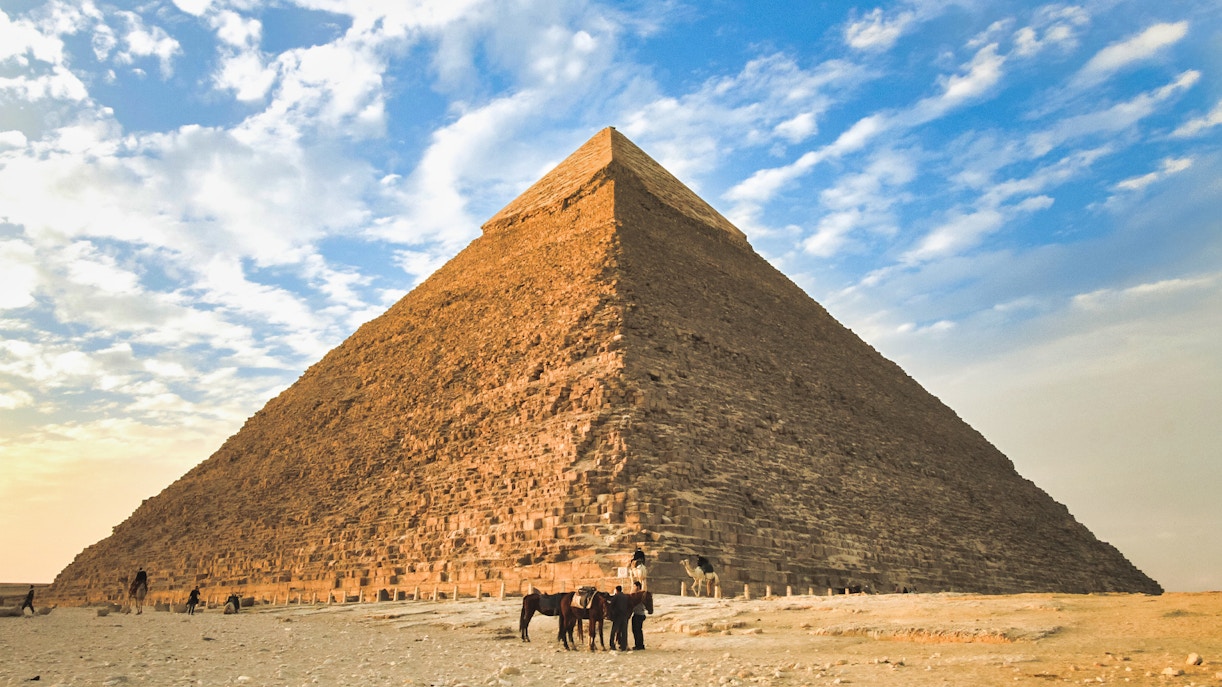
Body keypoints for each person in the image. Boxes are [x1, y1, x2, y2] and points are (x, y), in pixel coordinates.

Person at [609, 585, 630, 651]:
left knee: (614, 631)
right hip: (624, 616)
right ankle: (623, 646)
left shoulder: (616, 596)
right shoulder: (625, 597)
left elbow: (611, 605)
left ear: (616, 590)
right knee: (624, 631)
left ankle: (612, 645)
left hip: (617, 616)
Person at [630, 581, 647, 650]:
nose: (633, 588)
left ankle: (639, 645)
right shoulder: (642, 594)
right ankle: (640, 645)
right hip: (640, 614)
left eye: (634, 586)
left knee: (636, 630)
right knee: (638, 630)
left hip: (638, 614)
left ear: (637, 587)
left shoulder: (638, 595)